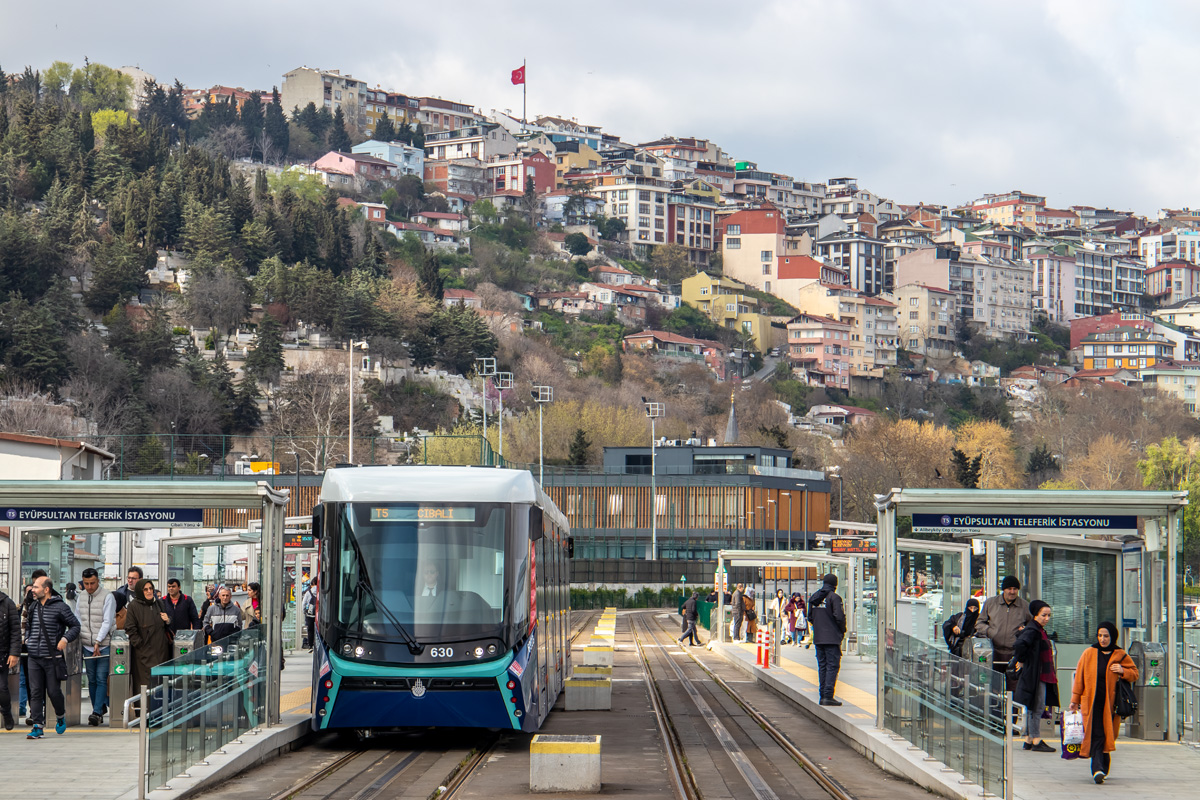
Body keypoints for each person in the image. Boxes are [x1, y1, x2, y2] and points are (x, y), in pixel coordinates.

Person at [1069, 622, 1138, 784]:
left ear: (1112, 636)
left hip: (1111, 705)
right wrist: (1075, 700)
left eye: (1106, 636)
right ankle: (1098, 769)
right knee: (1097, 735)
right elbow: (1079, 678)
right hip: (1091, 704)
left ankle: (1102, 767)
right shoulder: (1089, 653)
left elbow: (1134, 673)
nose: (1102, 639)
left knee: (1107, 736)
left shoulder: (1120, 655)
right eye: (1100, 635)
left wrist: (1122, 671)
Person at [24, 576, 80, 739]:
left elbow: (75, 626)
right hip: (34, 656)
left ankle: (60, 716)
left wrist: (64, 639)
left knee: (54, 692)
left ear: (46, 589)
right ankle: (37, 727)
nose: (32, 590)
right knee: (35, 692)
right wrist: (29, 639)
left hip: (52, 657)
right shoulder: (33, 606)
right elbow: (28, 625)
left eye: (35, 587)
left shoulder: (60, 607)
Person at [1011, 599, 1059, 752]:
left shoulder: (1037, 629)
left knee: (1033, 706)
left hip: (1039, 673)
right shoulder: (1033, 630)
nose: (1047, 618)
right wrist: (1023, 660)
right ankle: (1036, 739)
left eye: (1049, 615)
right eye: (1043, 615)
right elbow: (1019, 645)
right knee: (1037, 707)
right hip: (1037, 674)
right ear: (1036, 615)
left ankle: (1029, 738)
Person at [975, 576, 1032, 689]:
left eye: (1015, 589)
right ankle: (996, 707)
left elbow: (1032, 626)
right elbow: (979, 623)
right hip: (994, 652)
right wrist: (990, 632)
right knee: (994, 687)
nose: (1012, 591)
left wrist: (1024, 632)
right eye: (1009, 588)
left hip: (1014, 654)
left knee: (1014, 687)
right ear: (1003, 589)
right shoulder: (991, 603)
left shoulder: (1025, 606)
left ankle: (1013, 707)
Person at [77, 568, 115, 726]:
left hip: (104, 645)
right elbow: (77, 618)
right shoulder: (81, 597)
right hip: (87, 644)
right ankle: (97, 708)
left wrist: (98, 641)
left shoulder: (108, 596)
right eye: (86, 584)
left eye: (92, 583)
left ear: (98, 581)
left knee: (101, 678)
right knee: (91, 679)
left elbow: (107, 621)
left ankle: (97, 711)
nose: (89, 587)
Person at [124, 579, 172, 699]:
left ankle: (160, 713)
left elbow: (166, 625)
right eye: (145, 589)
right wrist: (141, 645)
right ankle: (144, 714)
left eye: (151, 588)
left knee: (160, 683)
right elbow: (130, 629)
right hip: (143, 655)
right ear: (140, 591)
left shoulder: (159, 604)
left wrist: (168, 620)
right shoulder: (133, 606)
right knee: (144, 684)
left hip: (161, 652)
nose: (149, 591)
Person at [809, 573, 847, 706]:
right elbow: (840, 617)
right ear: (835, 585)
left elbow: (810, 617)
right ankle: (828, 695)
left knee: (822, 666)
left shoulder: (814, 597)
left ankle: (822, 695)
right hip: (832, 638)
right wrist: (842, 631)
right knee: (832, 666)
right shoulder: (834, 598)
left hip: (819, 638)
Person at [0, 585, 19, 730]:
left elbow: (15, 631)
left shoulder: (7, 603)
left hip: (3, 653)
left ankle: (6, 713)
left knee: (2, 688)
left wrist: (14, 653)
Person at [302, 578, 318, 652]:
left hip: (310, 615)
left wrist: (304, 611)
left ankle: (310, 645)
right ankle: (317, 645)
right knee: (318, 630)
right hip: (318, 615)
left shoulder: (308, 592)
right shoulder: (320, 591)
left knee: (310, 630)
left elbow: (304, 603)